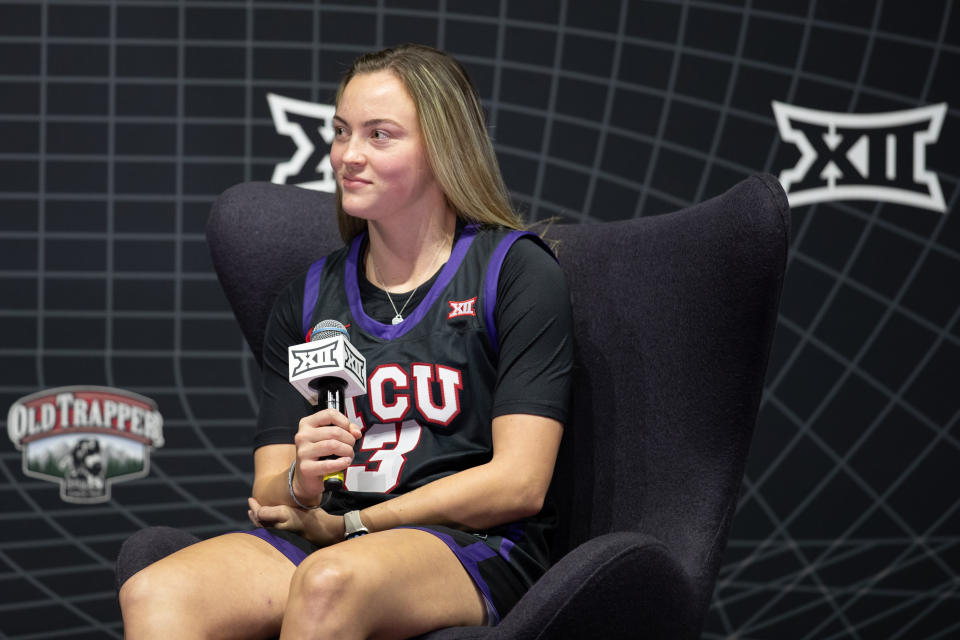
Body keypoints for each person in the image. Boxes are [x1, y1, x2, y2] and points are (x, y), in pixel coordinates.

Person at [118, 43, 573, 639]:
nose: (347, 156)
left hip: (471, 546)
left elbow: (519, 482)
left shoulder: (513, 271)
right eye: (340, 132)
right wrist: (300, 482)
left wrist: (357, 523)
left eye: (379, 135)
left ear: (442, 148)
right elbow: (269, 485)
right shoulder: (307, 296)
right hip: (330, 538)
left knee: (330, 584)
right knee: (156, 589)